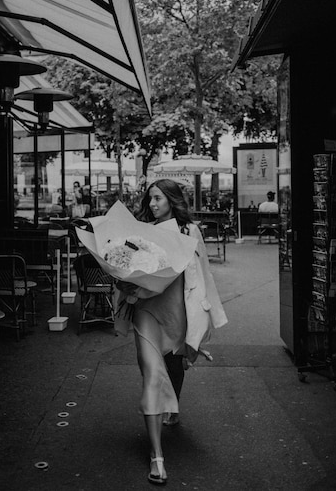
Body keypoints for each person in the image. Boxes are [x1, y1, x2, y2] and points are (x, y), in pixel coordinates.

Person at [116, 179, 227, 485]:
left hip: (178, 311)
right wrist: (122, 281)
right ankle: (156, 455)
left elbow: (202, 275)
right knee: (151, 375)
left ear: (172, 200)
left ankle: (173, 405)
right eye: (150, 199)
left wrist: (203, 317)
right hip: (146, 312)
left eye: (159, 199)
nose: (153, 204)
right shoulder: (141, 231)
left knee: (175, 364)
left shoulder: (189, 231)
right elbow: (123, 266)